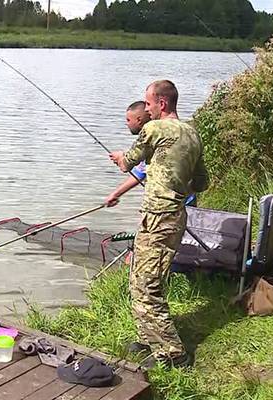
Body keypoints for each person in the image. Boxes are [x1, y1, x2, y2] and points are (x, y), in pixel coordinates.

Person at [108, 80, 209, 368]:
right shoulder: (192, 134)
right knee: (139, 279)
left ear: (162, 103)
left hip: (159, 218)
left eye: (149, 104)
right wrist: (173, 183)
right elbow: (202, 182)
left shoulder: (153, 129)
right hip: (173, 216)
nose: (147, 109)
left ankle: (174, 355)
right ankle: (148, 339)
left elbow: (128, 162)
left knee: (146, 286)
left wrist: (118, 158)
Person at [105, 101, 197, 208]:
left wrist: (121, 158)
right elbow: (140, 172)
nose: (127, 124)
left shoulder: (151, 138)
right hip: (188, 199)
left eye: (128, 120)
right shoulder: (177, 132)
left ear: (139, 120)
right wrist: (116, 194)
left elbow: (129, 168)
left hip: (170, 205)